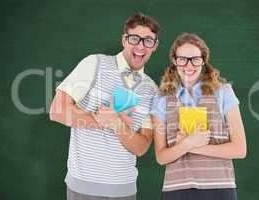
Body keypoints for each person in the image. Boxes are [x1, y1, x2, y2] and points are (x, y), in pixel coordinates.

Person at [49, 12, 159, 200]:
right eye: (135, 39)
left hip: (125, 191)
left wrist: (116, 123)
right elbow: (57, 111)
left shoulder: (152, 90)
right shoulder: (95, 63)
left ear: (154, 46)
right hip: (83, 189)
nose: (141, 46)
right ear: (124, 40)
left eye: (148, 41)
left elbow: (141, 148)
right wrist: (99, 120)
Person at [151, 33, 247, 200]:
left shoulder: (223, 92)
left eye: (195, 59)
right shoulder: (161, 98)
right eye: (183, 59)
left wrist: (193, 145)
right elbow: (161, 157)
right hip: (176, 191)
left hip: (220, 190)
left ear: (203, 60)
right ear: (175, 60)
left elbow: (239, 149)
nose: (189, 65)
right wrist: (189, 142)